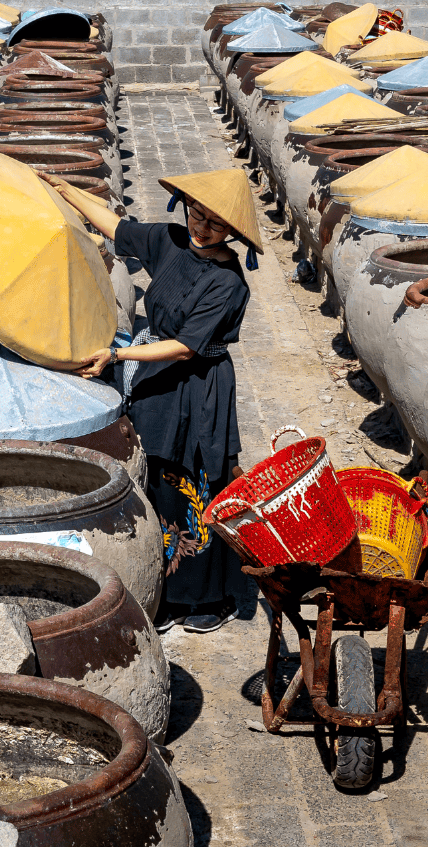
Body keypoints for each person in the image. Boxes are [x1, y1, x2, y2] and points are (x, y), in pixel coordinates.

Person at [48, 168, 262, 633]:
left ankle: (210, 595)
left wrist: (119, 354)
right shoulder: (169, 240)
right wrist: (67, 189)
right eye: (196, 214)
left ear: (233, 234)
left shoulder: (229, 283)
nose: (201, 227)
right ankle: (166, 588)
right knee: (157, 475)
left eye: (215, 224)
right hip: (155, 373)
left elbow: (187, 345)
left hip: (197, 384)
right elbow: (118, 229)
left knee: (198, 479)